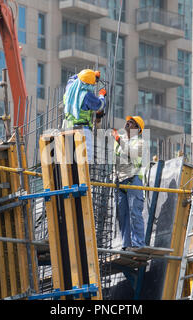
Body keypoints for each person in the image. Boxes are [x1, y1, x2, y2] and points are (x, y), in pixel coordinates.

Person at [112, 116, 146, 250]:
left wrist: (118, 140)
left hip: (133, 180)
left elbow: (132, 154)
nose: (128, 123)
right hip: (120, 181)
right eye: (128, 121)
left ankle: (138, 245)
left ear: (138, 129)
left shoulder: (140, 143)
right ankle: (126, 245)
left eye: (132, 122)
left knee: (135, 213)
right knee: (122, 215)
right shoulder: (122, 140)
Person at [63, 69, 106, 163]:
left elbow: (72, 78)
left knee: (70, 161)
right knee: (85, 161)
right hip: (82, 130)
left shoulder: (70, 89)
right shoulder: (87, 95)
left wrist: (89, 75)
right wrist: (101, 95)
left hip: (67, 128)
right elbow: (100, 105)